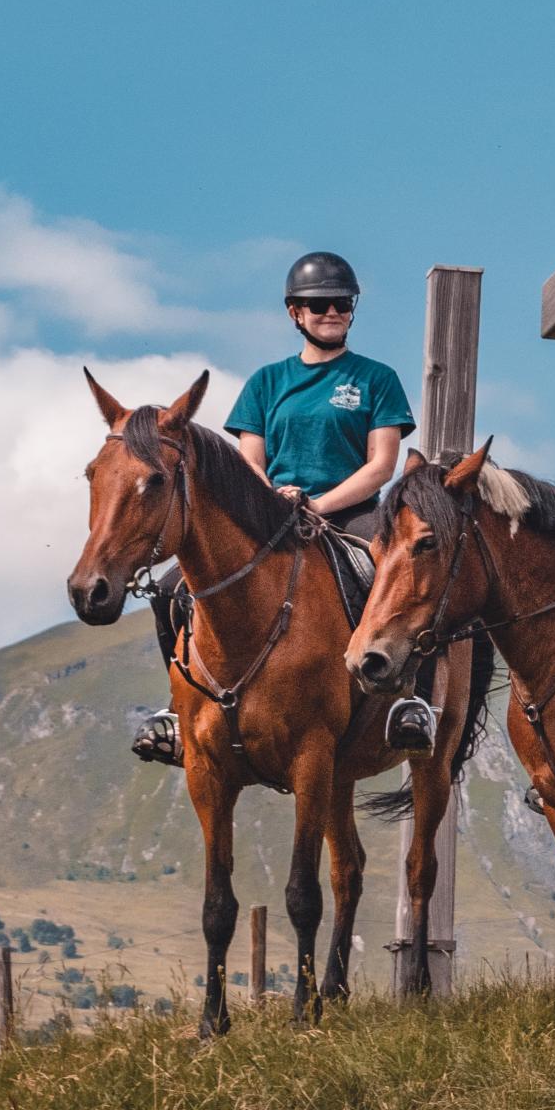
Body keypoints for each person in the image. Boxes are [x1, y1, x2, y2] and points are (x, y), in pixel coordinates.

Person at [132, 251, 420, 765]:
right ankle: (178, 708)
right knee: (173, 588)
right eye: (320, 305)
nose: (332, 313)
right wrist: (274, 499)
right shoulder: (266, 383)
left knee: (404, 576)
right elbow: (250, 462)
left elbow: (380, 466)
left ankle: (409, 703)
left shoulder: (377, 379)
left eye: (342, 304)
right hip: (273, 513)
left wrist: (319, 503)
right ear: (295, 313)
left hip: (349, 512)